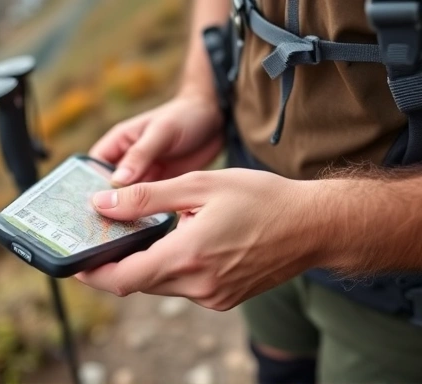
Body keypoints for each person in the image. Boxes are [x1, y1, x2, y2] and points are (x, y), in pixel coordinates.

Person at [76, 1, 422, 382]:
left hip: (396, 272)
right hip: (246, 184)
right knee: (278, 368)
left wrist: (315, 224)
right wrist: (201, 94)